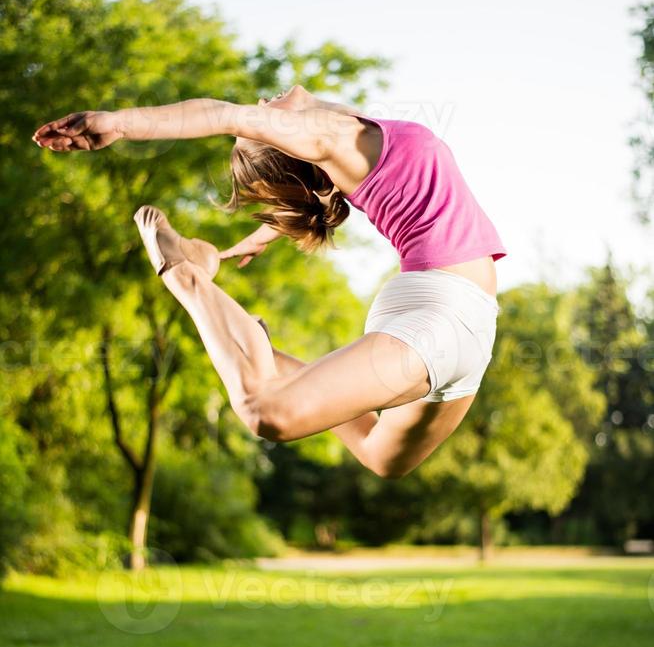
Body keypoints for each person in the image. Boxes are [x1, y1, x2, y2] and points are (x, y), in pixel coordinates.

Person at [32, 84, 506, 479]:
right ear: (290, 140)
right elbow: (220, 114)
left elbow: (310, 189)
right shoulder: (329, 136)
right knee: (266, 413)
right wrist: (120, 123)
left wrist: (258, 237)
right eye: (261, 127)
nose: (260, 108)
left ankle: (265, 353)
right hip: (439, 316)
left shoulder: (348, 135)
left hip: (465, 322)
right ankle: (186, 279)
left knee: (383, 457)